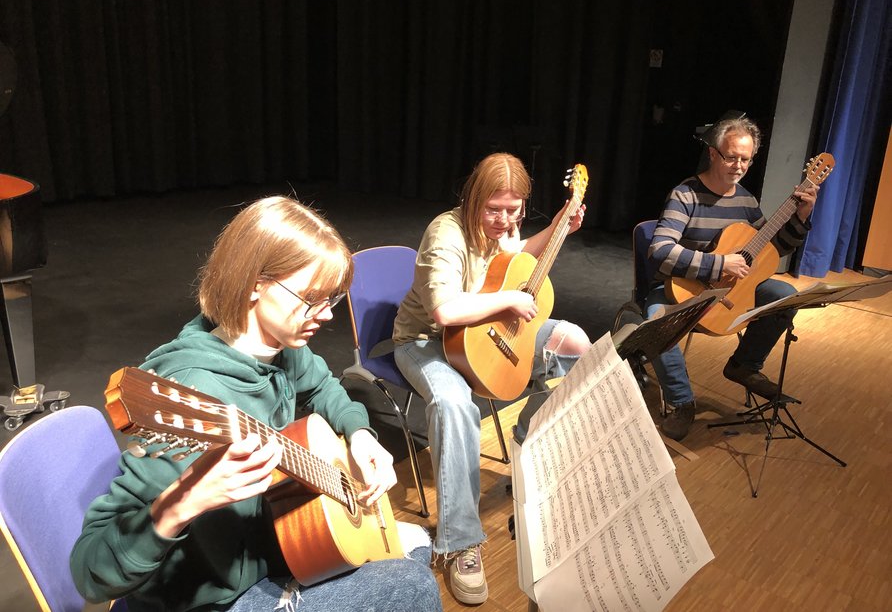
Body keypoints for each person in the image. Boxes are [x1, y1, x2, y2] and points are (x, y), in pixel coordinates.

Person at [70, 196, 442, 612]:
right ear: (254, 285)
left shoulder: (278, 346)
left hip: (271, 547)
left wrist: (358, 433)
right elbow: (89, 570)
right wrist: (183, 502)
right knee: (412, 584)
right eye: (312, 298)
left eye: (333, 299)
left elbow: (324, 387)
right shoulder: (192, 393)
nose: (328, 315)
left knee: (412, 543)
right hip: (211, 600)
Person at [392, 152, 591, 605]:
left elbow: (513, 258)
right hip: (425, 340)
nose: (504, 220)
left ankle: (525, 439)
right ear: (473, 199)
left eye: (514, 209)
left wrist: (561, 223)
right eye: (493, 210)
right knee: (454, 402)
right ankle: (459, 540)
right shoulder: (445, 234)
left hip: (482, 331)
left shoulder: (506, 226)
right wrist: (505, 301)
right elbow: (444, 311)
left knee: (577, 346)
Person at [647, 118, 819, 441]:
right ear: (713, 154)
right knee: (656, 321)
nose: (738, 166)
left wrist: (800, 218)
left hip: (730, 291)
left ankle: (744, 365)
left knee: (784, 294)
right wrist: (719, 263)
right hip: (682, 289)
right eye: (731, 157)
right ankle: (682, 403)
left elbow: (771, 250)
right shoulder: (685, 195)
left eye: (745, 159)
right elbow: (660, 251)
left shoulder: (746, 201)